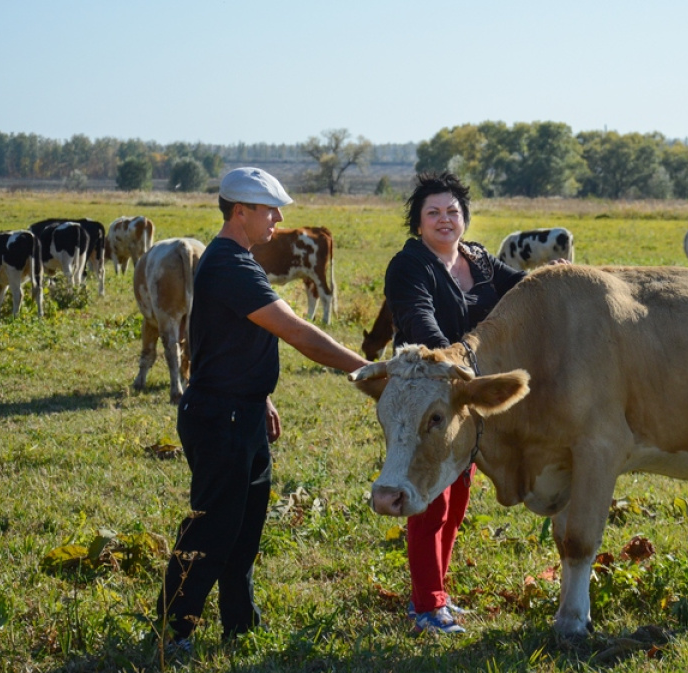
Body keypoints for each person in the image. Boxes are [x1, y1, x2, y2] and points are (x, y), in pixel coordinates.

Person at [156, 167, 370, 650]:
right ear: (240, 212)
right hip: (220, 417)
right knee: (213, 524)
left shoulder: (241, 259)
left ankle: (240, 623)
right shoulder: (229, 264)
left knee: (246, 528)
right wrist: (366, 369)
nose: (277, 218)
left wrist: (262, 395)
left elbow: (226, 340)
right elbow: (295, 331)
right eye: (269, 209)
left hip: (243, 412)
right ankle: (173, 630)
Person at [383, 172, 527, 634]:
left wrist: (556, 279)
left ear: (464, 216)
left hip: (462, 392)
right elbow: (417, 315)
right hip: (425, 394)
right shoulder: (409, 266)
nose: (445, 220)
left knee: (458, 492)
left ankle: (436, 593)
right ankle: (426, 606)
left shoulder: (479, 260)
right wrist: (450, 359)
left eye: (452, 211)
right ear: (418, 222)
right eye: (433, 212)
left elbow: (523, 291)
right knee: (429, 497)